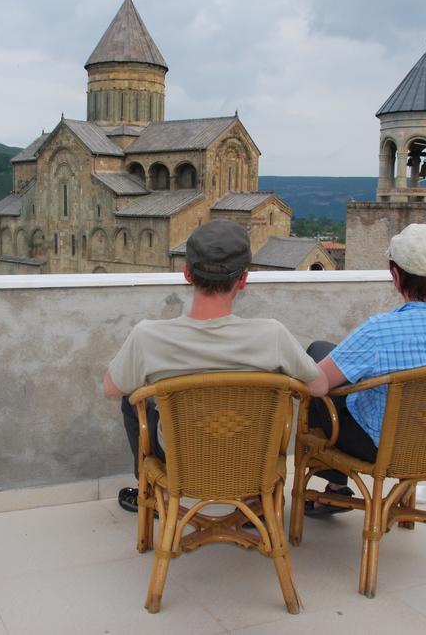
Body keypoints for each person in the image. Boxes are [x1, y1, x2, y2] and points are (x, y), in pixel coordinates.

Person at [103, 219, 327, 513]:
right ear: (243, 280)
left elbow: (111, 386)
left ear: (186, 273)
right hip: (252, 459)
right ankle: (254, 501)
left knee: (132, 399)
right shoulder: (273, 335)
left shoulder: (148, 336)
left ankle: (160, 495)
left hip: (181, 458)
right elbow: (320, 386)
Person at [304, 223, 426, 516]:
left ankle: (335, 488)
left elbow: (317, 385)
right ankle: (338, 490)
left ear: (395, 276)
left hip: (384, 448)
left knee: (319, 357)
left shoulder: (380, 331)